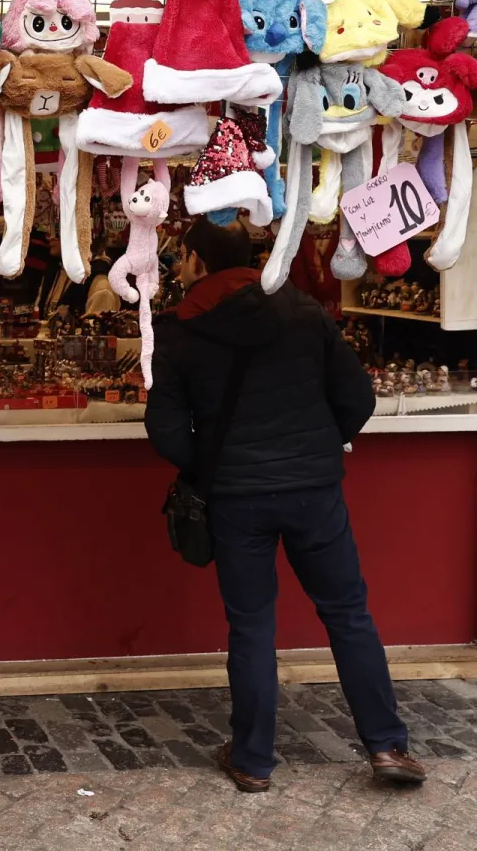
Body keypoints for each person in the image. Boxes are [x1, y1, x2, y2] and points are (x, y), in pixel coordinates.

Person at [146, 219, 425, 792]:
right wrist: (320, 447)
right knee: (348, 615)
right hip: (314, 490)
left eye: (181, 257)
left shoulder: (180, 330)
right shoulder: (303, 311)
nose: (177, 265)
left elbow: (166, 429)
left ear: (198, 261)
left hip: (236, 498)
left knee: (251, 627)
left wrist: (208, 469)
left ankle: (251, 760)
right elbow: (357, 398)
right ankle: (388, 747)